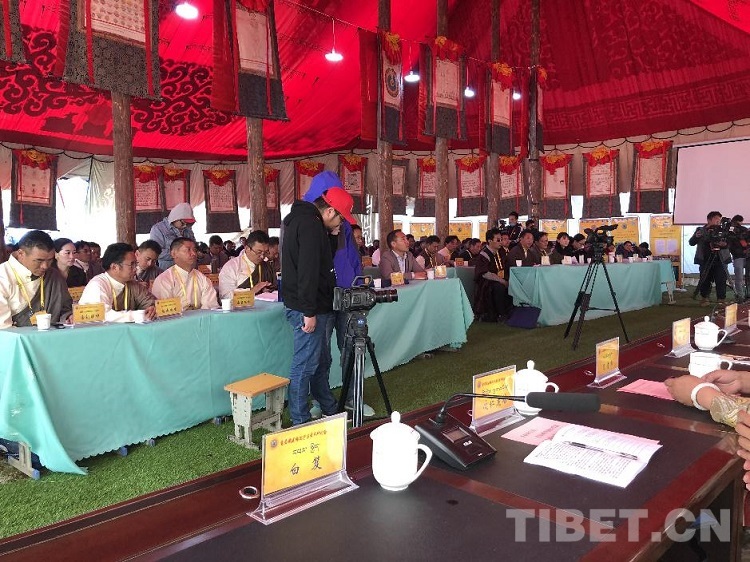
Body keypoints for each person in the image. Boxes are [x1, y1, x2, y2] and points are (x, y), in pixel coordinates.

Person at [281, 185, 357, 426]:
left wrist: (332, 237)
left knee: (319, 362)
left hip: (313, 305)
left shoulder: (305, 222)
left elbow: (321, 262)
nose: (341, 224)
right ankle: (300, 420)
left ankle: (328, 407)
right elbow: (308, 271)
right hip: (308, 307)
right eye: (341, 219)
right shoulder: (310, 225)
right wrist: (309, 311)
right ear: (330, 211)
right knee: (305, 365)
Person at [302, 172, 374, 418]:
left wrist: (358, 285)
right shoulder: (305, 223)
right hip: (321, 299)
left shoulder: (342, 225)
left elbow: (353, 258)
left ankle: (353, 398)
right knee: (320, 355)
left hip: (347, 295)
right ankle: (321, 401)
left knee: (352, 348)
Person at [0, 230, 73, 328]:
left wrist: (69, 317)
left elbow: (65, 309)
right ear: (21, 254)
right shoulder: (3, 277)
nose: (45, 266)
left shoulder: (53, 276)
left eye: (50, 260)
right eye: (39, 260)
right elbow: (4, 328)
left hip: (52, 334)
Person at [79, 243, 156, 322]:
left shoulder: (133, 284)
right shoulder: (97, 285)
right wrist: (139, 315)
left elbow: (152, 303)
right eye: (132, 264)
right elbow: (103, 315)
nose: (135, 268)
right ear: (114, 267)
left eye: (136, 264)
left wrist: (152, 310)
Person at [152, 238, 218, 310]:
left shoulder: (203, 278)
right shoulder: (164, 280)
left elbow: (211, 306)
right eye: (188, 250)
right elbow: (165, 312)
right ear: (174, 254)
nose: (193, 254)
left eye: (195, 250)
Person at [218, 230, 276, 299]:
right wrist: (252, 291)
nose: (262, 256)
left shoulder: (267, 266)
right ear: (247, 248)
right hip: (241, 306)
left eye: (265, 252)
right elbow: (225, 296)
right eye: (259, 252)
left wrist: (268, 290)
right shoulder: (231, 267)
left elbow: (275, 288)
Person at [689, 211, 730, 306]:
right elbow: (691, 242)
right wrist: (696, 236)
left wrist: (724, 244)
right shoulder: (701, 230)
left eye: (719, 220)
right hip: (705, 259)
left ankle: (721, 300)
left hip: (720, 259)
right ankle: (705, 298)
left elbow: (729, 243)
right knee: (705, 280)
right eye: (716, 219)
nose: (718, 221)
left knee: (721, 280)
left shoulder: (723, 230)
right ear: (709, 220)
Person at [474, 228, 512, 322]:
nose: (500, 242)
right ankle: (500, 314)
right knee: (499, 287)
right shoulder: (484, 254)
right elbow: (484, 273)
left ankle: (512, 311)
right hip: (487, 283)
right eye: (498, 240)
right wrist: (501, 280)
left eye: (501, 240)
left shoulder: (501, 252)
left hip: (501, 279)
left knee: (513, 284)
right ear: (490, 241)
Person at [149, 202, 196, 270]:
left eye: (188, 223)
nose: (185, 226)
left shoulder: (188, 229)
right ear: (175, 218)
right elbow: (156, 252)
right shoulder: (158, 229)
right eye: (183, 223)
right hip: (167, 270)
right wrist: (179, 254)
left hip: (188, 269)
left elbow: (193, 246)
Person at [728, 215, 748, 302]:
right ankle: (741, 296)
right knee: (739, 278)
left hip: (740, 256)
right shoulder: (730, 231)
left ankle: (742, 296)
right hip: (740, 256)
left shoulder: (744, 230)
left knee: (739, 278)